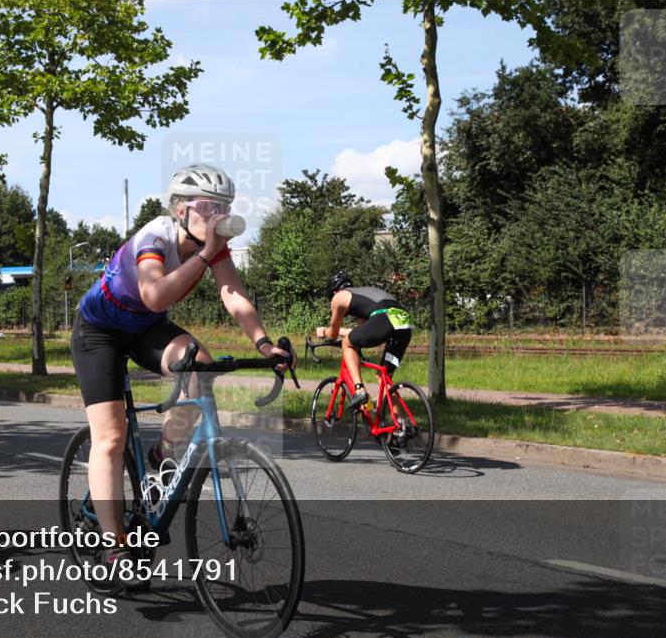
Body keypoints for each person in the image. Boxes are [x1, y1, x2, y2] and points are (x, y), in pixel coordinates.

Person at [72, 163, 294, 590]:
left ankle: (163, 454)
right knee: (112, 437)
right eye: (208, 207)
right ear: (180, 210)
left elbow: (233, 294)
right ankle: (114, 545)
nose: (218, 215)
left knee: (200, 364)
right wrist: (207, 253)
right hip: (99, 332)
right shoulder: (154, 238)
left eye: (224, 207)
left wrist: (264, 344)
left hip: (144, 328)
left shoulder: (214, 247)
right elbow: (154, 295)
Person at [316, 271, 412, 408]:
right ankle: (400, 420)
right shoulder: (363, 294)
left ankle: (359, 390)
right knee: (384, 378)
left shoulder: (338, 297)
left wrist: (324, 331)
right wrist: (342, 332)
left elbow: (332, 334)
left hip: (384, 317)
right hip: (404, 322)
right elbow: (360, 332)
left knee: (347, 344)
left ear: (334, 292)